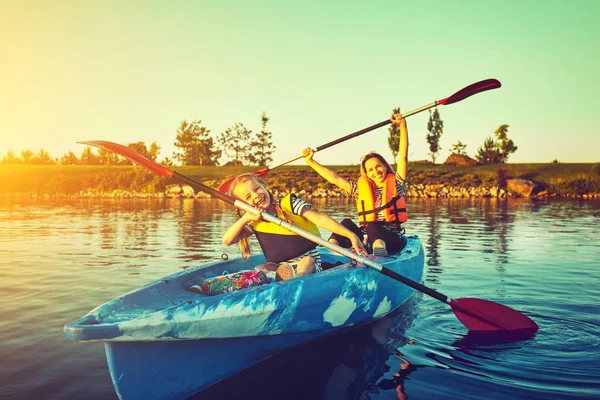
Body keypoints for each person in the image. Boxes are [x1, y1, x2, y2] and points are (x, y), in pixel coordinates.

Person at [223, 173, 368, 281]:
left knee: (306, 262)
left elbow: (321, 219)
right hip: (279, 267)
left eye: (257, 188)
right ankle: (232, 284)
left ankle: (294, 283)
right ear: (244, 205)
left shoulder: (289, 205)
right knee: (261, 268)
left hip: (309, 265)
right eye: (248, 197)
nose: (256, 195)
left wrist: (351, 235)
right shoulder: (254, 221)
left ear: (264, 186)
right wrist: (246, 218)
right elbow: (227, 240)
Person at [302, 112, 409, 257]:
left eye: (378, 166)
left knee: (373, 226)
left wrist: (402, 125)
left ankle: (378, 253)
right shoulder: (360, 189)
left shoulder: (397, 184)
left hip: (389, 240)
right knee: (345, 223)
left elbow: (403, 156)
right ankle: (329, 252)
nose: (375, 171)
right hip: (366, 239)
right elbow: (335, 179)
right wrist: (310, 161)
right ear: (366, 173)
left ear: (384, 166)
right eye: (370, 169)